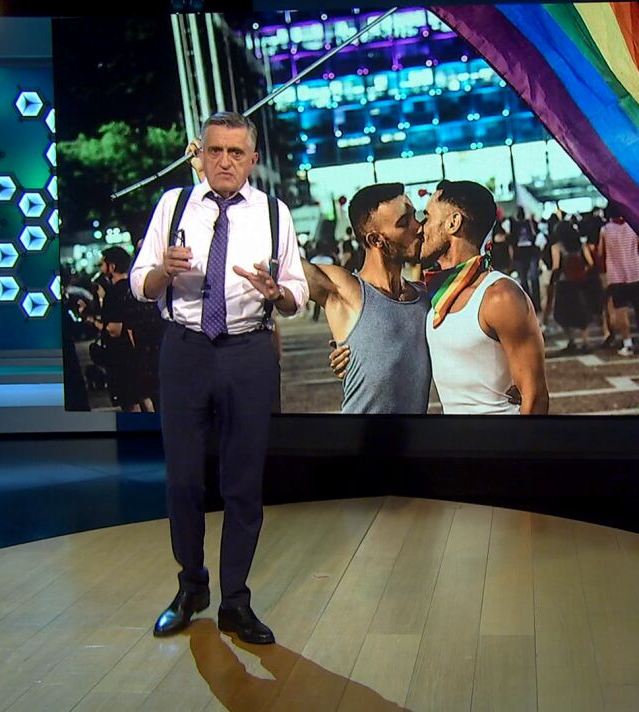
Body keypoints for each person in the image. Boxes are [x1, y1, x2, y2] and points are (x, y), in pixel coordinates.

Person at [130, 112, 308, 642]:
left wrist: (279, 293)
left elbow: (298, 292)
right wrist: (163, 272)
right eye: (215, 151)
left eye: (235, 152)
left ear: (253, 159)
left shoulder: (275, 213)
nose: (225, 161)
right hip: (184, 350)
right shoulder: (173, 205)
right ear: (200, 155)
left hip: (249, 351)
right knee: (184, 480)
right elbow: (140, 282)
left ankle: (235, 601)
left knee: (243, 483)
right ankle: (191, 585)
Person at [420, 181, 548, 414]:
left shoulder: (500, 296)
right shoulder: (434, 294)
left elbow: (535, 398)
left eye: (427, 218)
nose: (421, 228)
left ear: (453, 222)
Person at [303, 183, 431, 414]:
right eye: (404, 223)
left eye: (415, 217)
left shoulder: (425, 298)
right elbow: (285, 261)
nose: (418, 227)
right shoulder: (347, 292)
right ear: (375, 240)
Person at [96, 246, 145, 412]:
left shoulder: (113, 293)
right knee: (144, 396)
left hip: (120, 356)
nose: (101, 268)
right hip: (140, 352)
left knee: (129, 401)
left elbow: (114, 329)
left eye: (102, 264)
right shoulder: (136, 288)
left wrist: (94, 322)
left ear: (112, 266)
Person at [602, 213, 639, 356]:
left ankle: (627, 343)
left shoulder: (605, 230)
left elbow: (601, 251)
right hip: (636, 273)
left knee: (621, 311)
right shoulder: (633, 227)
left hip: (617, 276)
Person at [549, 221, 594, 352]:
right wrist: (583, 272)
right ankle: (586, 342)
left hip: (564, 284)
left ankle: (571, 340)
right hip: (580, 283)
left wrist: (553, 281)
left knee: (562, 314)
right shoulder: (580, 245)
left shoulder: (557, 247)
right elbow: (590, 262)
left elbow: (556, 266)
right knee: (582, 312)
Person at [508, 208, 541, 312]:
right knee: (525, 279)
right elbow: (512, 239)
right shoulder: (515, 224)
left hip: (528, 253)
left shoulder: (528, 223)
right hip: (522, 254)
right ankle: (530, 304)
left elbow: (535, 234)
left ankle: (535, 304)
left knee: (531, 278)